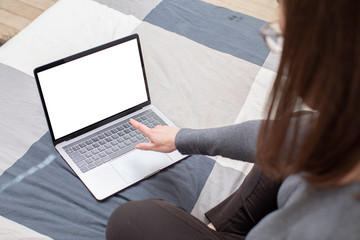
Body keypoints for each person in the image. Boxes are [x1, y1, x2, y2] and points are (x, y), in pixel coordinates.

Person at [106, 0, 360, 239]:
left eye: (284, 37)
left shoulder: (333, 219)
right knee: (294, 133)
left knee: (132, 219)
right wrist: (181, 137)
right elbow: (280, 137)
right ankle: (219, 228)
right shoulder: (344, 121)